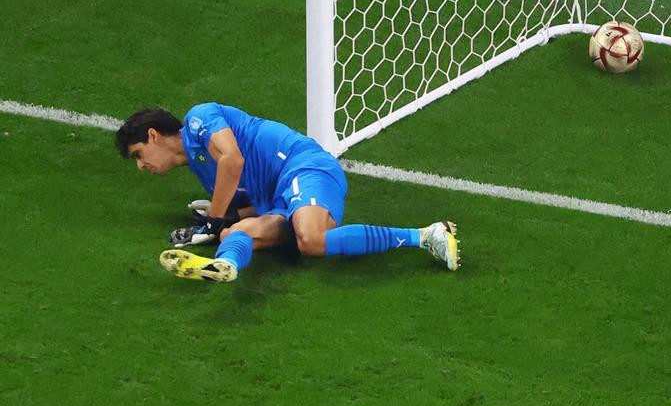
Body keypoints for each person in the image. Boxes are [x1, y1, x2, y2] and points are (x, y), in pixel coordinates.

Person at [115, 102, 460, 282]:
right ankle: (225, 265)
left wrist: (214, 220)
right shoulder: (202, 169)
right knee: (237, 233)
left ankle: (427, 235)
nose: (141, 166)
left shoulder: (198, 119)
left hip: (302, 166)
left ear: (154, 135)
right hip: (279, 199)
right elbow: (249, 205)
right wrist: (225, 220)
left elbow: (233, 161)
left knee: (311, 240)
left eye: (139, 155)